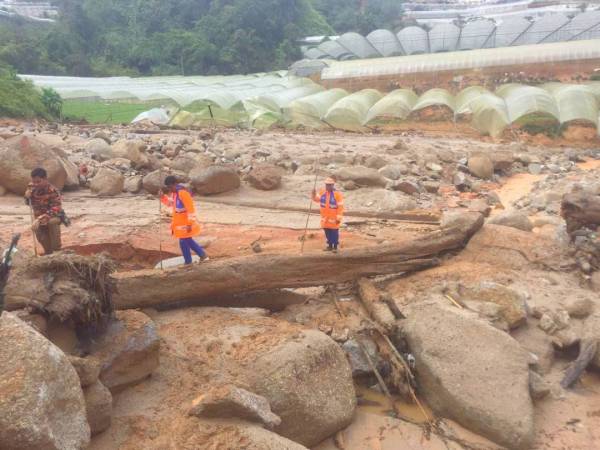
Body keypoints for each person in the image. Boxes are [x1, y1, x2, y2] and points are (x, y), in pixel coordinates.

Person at [161, 176, 209, 264]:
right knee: (184, 242)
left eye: (170, 187)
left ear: (175, 184)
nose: (169, 189)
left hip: (186, 224)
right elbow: (171, 204)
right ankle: (191, 260)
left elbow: (191, 210)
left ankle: (200, 257)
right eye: (168, 187)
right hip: (180, 224)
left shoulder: (183, 193)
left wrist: (190, 224)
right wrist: (162, 198)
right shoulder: (176, 193)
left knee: (186, 241)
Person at [25, 168, 63, 255]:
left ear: (45, 179)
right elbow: (28, 203)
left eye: (38, 182)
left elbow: (56, 208)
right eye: (34, 182)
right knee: (37, 229)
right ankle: (48, 252)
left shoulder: (53, 190)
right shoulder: (31, 187)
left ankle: (56, 251)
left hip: (53, 216)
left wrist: (39, 219)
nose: (36, 184)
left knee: (51, 222)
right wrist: (26, 197)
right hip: (39, 218)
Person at [312, 177, 344, 253]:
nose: (328, 186)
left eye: (329, 185)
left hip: (334, 219)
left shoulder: (337, 195)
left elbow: (340, 207)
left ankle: (335, 247)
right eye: (327, 185)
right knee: (327, 232)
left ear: (333, 185)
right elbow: (316, 199)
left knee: (334, 233)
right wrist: (313, 194)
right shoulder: (322, 192)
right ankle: (329, 246)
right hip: (325, 218)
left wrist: (338, 218)